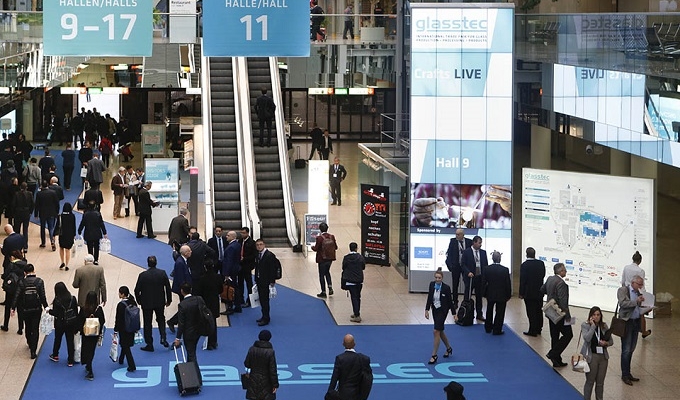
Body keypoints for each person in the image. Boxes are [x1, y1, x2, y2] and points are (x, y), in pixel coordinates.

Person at [134, 255, 172, 351]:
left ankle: (149, 344)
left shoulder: (143, 275)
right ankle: (163, 337)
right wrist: (169, 300)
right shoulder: (162, 273)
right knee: (161, 319)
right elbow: (168, 287)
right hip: (160, 302)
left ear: (148, 263)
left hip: (146, 303)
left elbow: (136, 290)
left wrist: (139, 301)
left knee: (147, 323)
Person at [11, 263, 48, 359]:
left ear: (25, 272)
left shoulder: (22, 282)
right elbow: (42, 296)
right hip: (36, 309)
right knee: (35, 328)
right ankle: (33, 351)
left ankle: (29, 341)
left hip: (25, 309)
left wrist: (13, 308)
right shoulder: (39, 281)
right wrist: (46, 307)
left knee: (28, 326)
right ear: (34, 270)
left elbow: (17, 295)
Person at [540, 262, 572, 368]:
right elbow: (563, 303)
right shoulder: (562, 284)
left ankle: (556, 360)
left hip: (550, 311)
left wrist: (551, 297)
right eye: (564, 270)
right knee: (568, 335)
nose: (566, 271)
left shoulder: (550, 279)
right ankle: (553, 353)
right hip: (560, 314)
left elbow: (542, 290)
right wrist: (568, 317)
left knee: (555, 336)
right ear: (560, 271)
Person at [618, 275, 646, 385]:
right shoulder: (623, 290)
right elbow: (623, 303)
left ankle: (628, 372)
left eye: (641, 284)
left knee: (631, 349)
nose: (640, 286)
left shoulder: (639, 293)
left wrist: (646, 308)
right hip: (626, 322)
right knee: (626, 349)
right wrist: (636, 302)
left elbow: (639, 307)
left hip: (636, 322)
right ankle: (624, 374)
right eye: (639, 284)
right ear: (633, 283)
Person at [581, 306, 613, 400]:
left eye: (598, 315)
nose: (596, 317)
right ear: (590, 316)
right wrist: (593, 327)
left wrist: (606, 343)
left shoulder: (604, 326)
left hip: (603, 357)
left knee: (600, 383)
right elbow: (587, 338)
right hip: (592, 357)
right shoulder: (585, 325)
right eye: (594, 315)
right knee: (590, 381)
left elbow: (611, 341)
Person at [328, 334, 373, 400]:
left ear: (343, 344)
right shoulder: (363, 359)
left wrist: (329, 393)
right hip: (357, 395)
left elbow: (334, 378)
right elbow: (368, 378)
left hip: (342, 395)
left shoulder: (340, 359)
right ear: (354, 344)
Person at [173, 283, 207, 366]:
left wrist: (178, 338)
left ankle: (195, 376)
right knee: (191, 352)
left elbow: (181, 323)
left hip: (189, 333)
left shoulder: (182, 305)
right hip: (199, 330)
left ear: (182, 291)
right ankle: (190, 371)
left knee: (191, 354)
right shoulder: (199, 299)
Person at [424, 268, 453, 364]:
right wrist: (427, 309)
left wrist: (454, 314)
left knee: (436, 331)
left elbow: (450, 302)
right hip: (435, 311)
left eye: (439, 278)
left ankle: (434, 355)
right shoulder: (432, 285)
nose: (437, 279)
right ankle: (449, 348)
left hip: (443, 311)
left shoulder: (446, 288)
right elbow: (429, 297)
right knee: (440, 331)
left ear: (442, 278)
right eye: (436, 277)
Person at [47, 282, 79, 365]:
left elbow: (56, 313)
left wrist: (49, 311)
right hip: (71, 323)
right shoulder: (73, 299)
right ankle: (70, 360)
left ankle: (55, 355)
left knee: (58, 339)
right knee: (70, 341)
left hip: (60, 323)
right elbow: (76, 311)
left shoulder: (57, 301)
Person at [621, 251, 651, 338]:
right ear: (640, 261)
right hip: (636, 293)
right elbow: (641, 285)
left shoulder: (626, 268)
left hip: (627, 291)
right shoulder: (640, 270)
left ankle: (624, 328)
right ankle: (643, 331)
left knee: (626, 310)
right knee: (640, 313)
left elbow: (623, 281)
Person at [244, 329, 279, 400]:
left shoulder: (252, 349)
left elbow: (247, 364)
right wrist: (275, 385)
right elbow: (273, 371)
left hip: (253, 380)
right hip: (266, 382)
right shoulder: (270, 352)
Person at [482, 251, 511, 335]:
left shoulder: (487, 269)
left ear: (492, 258)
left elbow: (483, 282)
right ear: (500, 259)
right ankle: (497, 329)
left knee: (489, 310)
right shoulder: (505, 270)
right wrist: (508, 295)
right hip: (502, 294)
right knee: (500, 312)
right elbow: (507, 284)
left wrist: (484, 293)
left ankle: (488, 327)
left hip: (490, 293)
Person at [519, 247, 546, 337]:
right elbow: (543, 275)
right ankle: (539, 328)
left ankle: (532, 330)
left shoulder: (524, 265)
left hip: (529, 293)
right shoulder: (541, 263)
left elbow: (523, 280)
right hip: (539, 292)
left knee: (531, 311)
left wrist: (521, 293)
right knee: (539, 310)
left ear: (526, 254)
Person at [78, 290, 105, 381]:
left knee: (85, 349)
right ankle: (89, 365)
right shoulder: (99, 309)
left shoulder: (83, 309)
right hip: (95, 334)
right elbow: (103, 321)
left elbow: (80, 320)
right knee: (91, 350)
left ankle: (89, 368)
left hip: (86, 334)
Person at [460, 235, 488, 321]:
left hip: (479, 278)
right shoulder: (467, 252)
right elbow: (463, 264)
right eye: (479, 243)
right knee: (468, 295)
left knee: (479, 296)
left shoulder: (483, 252)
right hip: (470, 278)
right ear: (474, 242)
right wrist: (468, 272)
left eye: (481, 243)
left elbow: (485, 265)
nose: (480, 245)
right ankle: (466, 312)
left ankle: (479, 314)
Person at [445, 229, 472, 311]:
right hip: (456, 266)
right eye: (456, 234)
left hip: (465, 266)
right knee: (455, 284)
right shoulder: (453, 241)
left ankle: (466, 300)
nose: (456, 236)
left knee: (467, 283)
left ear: (463, 235)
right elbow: (449, 254)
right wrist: (450, 266)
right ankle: (455, 301)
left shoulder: (469, 242)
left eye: (458, 234)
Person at [254, 239, 280, 327]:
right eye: (257, 245)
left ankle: (266, 318)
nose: (259, 246)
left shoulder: (269, 255)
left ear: (264, 245)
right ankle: (263, 315)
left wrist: (272, 281)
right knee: (261, 299)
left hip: (265, 281)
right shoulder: (258, 255)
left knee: (265, 300)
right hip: (259, 280)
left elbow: (272, 269)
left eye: (260, 244)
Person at [168, 245, 192, 332]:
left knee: (184, 307)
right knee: (184, 308)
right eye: (189, 251)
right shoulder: (180, 263)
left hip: (184, 289)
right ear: (185, 253)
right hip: (183, 290)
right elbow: (181, 278)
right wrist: (185, 290)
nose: (191, 252)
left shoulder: (183, 260)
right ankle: (172, 321)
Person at [198, 259, 221, 350]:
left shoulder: (202, 278)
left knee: (206, 322)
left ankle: (209, 343)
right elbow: (220, 290)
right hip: (214, 302)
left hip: (205, 303)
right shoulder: (218, 277)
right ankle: (214, 342)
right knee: (213, 322)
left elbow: (199, 292)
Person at [1, 250, 26, 333]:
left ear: (13, 257)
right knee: (20, 309)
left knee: (8, 307)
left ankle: (6, 325)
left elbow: (5, 275)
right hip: (21, 289)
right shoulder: (24, 264)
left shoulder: (11, 265)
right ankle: (20, 328)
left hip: (11, 289)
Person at [114, 286, 137, 372]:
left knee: (125, 346)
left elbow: (118, 318)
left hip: (123, 329)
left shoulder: (121, 305)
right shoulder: (133, 301)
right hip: (132, 327)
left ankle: (132, 365)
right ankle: (121, 359)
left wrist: (116, 330)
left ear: (122, 294)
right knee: (126, 344)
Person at [311, 222, 337, 298]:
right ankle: (330, 286)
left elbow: (316, 249)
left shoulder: (319, 238)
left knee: (321, 275)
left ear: (320, 229)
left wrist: (312, 247)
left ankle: (323, 291)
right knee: (327, 272)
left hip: (322, 259)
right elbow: (335, 247)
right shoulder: (332, 237)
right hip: (330, 259)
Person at [341, 242, 365, 323]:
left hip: (350, 281)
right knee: (358, 297)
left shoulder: (346, 258)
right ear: (356, 248)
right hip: (359, 280)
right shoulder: (360, 257)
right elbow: (363, 267)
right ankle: (356, 312)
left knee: (354, 297)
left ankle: (357, 314)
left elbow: (343, 267)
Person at [34, 180, 60, 251]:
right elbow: (57, 203)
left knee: (42, 228)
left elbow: (37, 205)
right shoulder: (53, 193)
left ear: (41, 186)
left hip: (42, 213)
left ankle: (43, 243)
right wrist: (57, 212)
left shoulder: (39, 194)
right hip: (52, 213)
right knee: (51, 228)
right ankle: (52, 241)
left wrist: (36, 214)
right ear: (48, 185)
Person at [222, 230, 242, 314]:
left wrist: (226, 273)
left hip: (231, 272)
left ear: (233, 237)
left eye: (228, 235)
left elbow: (229, 261)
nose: (226, 237)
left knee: (229, 289)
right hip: (235, 269)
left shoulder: (231, 247)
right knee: (235, 288)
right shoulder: (237, 245)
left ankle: (230, 307)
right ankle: (238, 305)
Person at [11, 182, 33, 252]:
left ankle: (17, 246)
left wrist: (14, 213)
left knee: (17, 230)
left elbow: (13, 204)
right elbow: (32, 204)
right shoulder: (30, 194)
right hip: (26, 213)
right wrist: (30, 212)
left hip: (18, 213)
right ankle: (25, 246)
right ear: (26, 187)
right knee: (25, 230)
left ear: (20, 187)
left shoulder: (17, 194)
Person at [239, 226, 257, 308]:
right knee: (240, 283)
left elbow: (254, 255)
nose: (242, 234)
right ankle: (240, 299)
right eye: (241, 233)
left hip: (247, 266)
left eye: (244, 233)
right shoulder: (240, 241)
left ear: (247, 233)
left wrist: (244, 258)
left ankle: (249, 300)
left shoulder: (252, 243)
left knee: (249, 284)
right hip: (240, 266)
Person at [56, 202, 77, 271]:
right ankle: (67, 265)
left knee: (61, 247)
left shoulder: (60, 216)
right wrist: (74, 234)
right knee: (67, 249)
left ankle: (62, 262)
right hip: (70, 234)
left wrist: (54, 234)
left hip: (62, 234)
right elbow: (74, 226)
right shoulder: (72, 216)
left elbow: (57, 225)